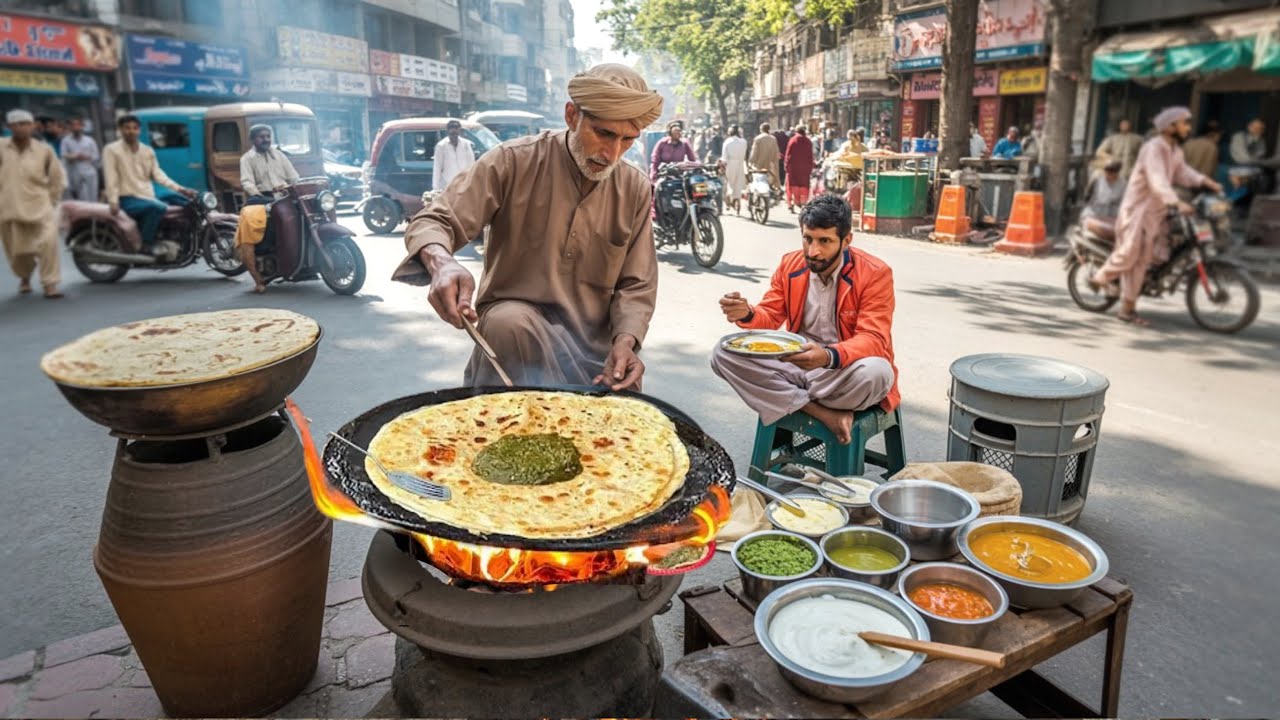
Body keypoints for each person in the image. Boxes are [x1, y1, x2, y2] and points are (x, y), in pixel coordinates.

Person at [392, 63, 664, 389]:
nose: (612, 153)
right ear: (571, 116)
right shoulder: (512, 161)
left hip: (592, 353)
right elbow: (435, 219)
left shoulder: (633, 186)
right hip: (515, 340)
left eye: (628, 140)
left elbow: (637, 285)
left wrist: (626, 342)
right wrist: (442, 263)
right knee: (510, 325)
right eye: (604, 134)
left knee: (630, 413)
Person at [712, 194, 898, 445]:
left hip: (841, 370)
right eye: (807, 239)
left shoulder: (875, 273)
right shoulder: (791, 264)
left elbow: (873, 339)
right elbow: (771, 315)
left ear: (846, 241)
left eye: (825, 241)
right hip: (796, 364)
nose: (813, 251)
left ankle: (785, 399)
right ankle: (823, 413)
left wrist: (827, 356)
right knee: (723, 354)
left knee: (878, 373)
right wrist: (747, 313)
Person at [1091, 107, 1223, 326]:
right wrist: (1176, 202)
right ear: (1170, 126)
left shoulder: (1175, 151)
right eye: (1184, 123)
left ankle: (1127, 310)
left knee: (1143, 261)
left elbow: (1184, 173)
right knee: (1131, 254)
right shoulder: (1153, 148)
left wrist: (1206, 182)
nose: (1188, 128)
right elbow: (1157, 180)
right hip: (1137, 211)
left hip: (1155, 212)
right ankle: (1100, 277)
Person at [103, 114, 196, 253]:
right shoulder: (112, 150)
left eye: (134, 128)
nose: (131, 131)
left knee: (185, 200)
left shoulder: (147, 151)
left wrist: (181, 189)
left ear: (139, 130)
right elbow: (111, 177)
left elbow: (158, 175)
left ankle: (188, 236)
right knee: (158, 208)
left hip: (147, 194)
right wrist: (113, 200)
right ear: (120, 130)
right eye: (127, 128)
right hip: (127, 198)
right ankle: (145, 244)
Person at [0, 109, 67, 298]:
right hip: (9, 208)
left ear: (32, 126)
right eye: (16, 124)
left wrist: (52, 201)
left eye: (25, 123)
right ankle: (25, 277)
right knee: (18, 252)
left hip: (40, 207)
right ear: (9, 127)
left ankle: (50, 284)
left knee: (48, 243)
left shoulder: (44, 150)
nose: (21, 127)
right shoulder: (1, 148)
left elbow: (57, 179)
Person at [234, 123, 300, 294]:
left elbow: (293, 176)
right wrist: (262, 195)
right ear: (253, 140)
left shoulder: (279, 156)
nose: (265, 140)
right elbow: (247, 182)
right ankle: (258, 278)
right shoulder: (247, 159)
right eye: (261, 137)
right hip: (261, 199)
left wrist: (296, 187)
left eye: (268, 136)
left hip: (284, 197)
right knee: (254, 226)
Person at [60, 118, 100, 202]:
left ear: (82, 126)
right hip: (74, 172)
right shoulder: (66, 141)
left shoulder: (90, 140)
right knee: (81, 197)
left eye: (78, 125)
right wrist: (76, 156)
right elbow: (63, 155)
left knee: (93, 195)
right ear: (70, 127)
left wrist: (86, 157)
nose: (76, 127)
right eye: (73, 125)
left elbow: (96, 156)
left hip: (89, 171)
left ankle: (94, 213)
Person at [433, 119, 475, 191]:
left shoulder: (466, 144)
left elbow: (471, 163)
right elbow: (437, 167)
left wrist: (472, 182)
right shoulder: (441, 146)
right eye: (451, 133)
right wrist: (435, 188)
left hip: (463, 183)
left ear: (459, 131)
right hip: (448, 184)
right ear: (448, 132)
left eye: (456, 132)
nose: (454, 135)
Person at [784, 126, 815, 213]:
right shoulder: (808, 141)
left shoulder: (793, 140)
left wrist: (786, 166)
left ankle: (791, 204)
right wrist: (810, 167)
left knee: (790, 186)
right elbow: (810, 156)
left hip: (793, 168)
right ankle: (803, 204)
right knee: (804, 185)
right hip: (805, 168)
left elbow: (788, 155)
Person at [721, 125, 748, 215]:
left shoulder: (727, 142)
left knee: (730, 184)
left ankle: (730, 201)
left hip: (730, 165)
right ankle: (738, 203)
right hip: (741, 164)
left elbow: (724, 158)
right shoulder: (744, 142)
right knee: (738, 185)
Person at [749, 122, 781, 192]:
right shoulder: (773, 138)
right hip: (771, 163)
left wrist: (751, 162)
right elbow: (776, 151)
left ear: (761, 129)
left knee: (760, 180)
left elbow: (754, 152)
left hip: (760, 163)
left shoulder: (758, 139)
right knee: (771, 180)